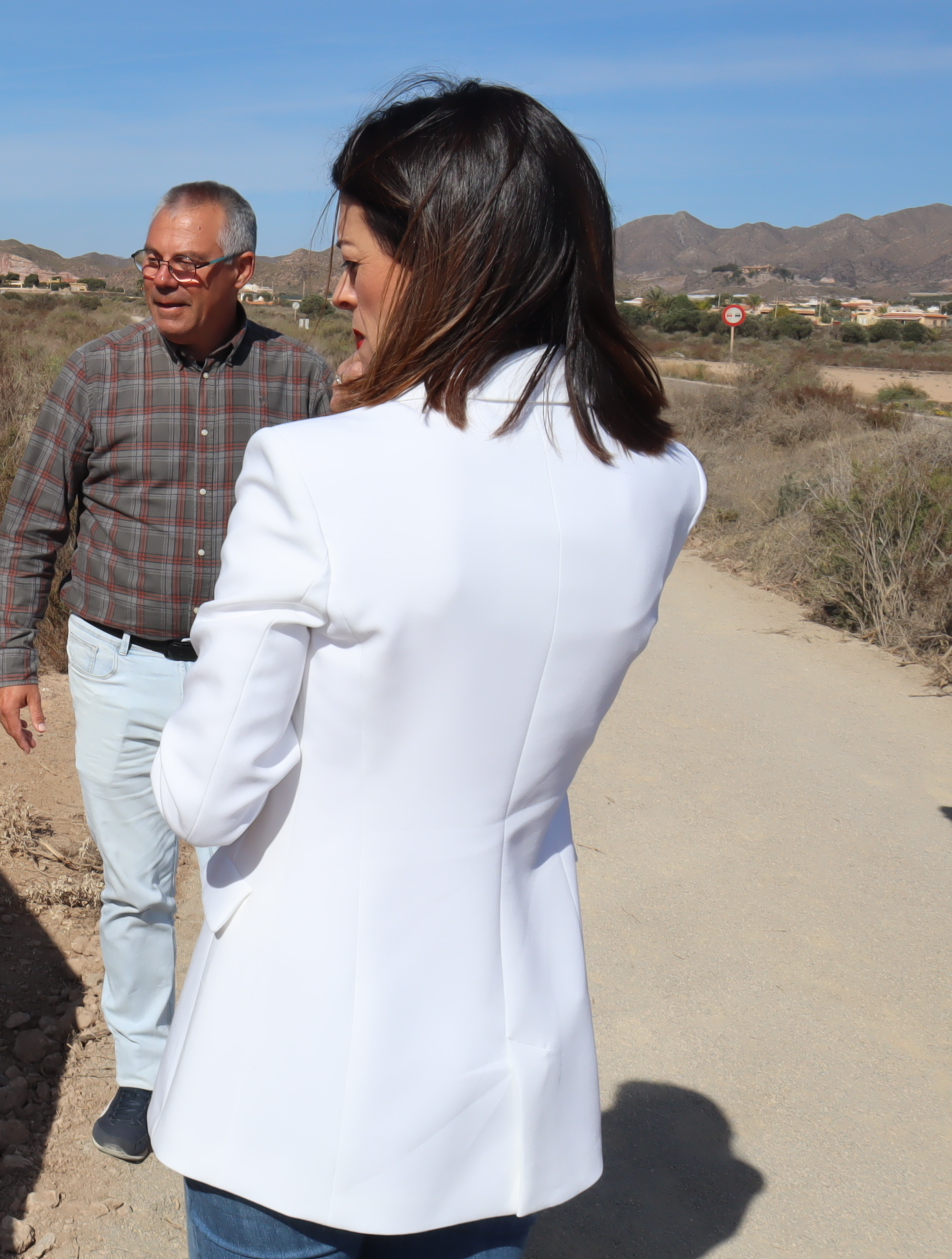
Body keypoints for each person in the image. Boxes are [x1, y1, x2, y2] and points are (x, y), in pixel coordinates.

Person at [148, 78, 705, 1257]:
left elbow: (205, 791)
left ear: (450, 259)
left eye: (354, 260)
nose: (337, 290)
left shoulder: (316, 470)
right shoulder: (664, 479)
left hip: (295, 1079)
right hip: (498, 1090)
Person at [0, 182, 333, 1163]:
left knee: (261, 879)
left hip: (258, 678)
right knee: (137, 885)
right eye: (151, 259)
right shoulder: (94, 375)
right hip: (120, 666)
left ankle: (250, 1061)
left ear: (242, 272)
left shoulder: (301, 381)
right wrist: (14, 660)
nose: (162, 278)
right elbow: (30, 528)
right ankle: (146, 1073)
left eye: (187, 263)